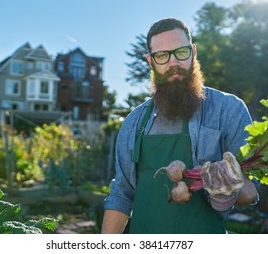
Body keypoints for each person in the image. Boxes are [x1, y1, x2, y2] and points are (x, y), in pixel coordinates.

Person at [101, 18, 259, 234]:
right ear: (151, 61)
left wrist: (228, 187)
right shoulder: (134, 122)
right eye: (162, 55)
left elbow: (250, 192)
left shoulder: (227, 109)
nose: (172, 62)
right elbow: (122, 194)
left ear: (193, 52)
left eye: (180, 52)